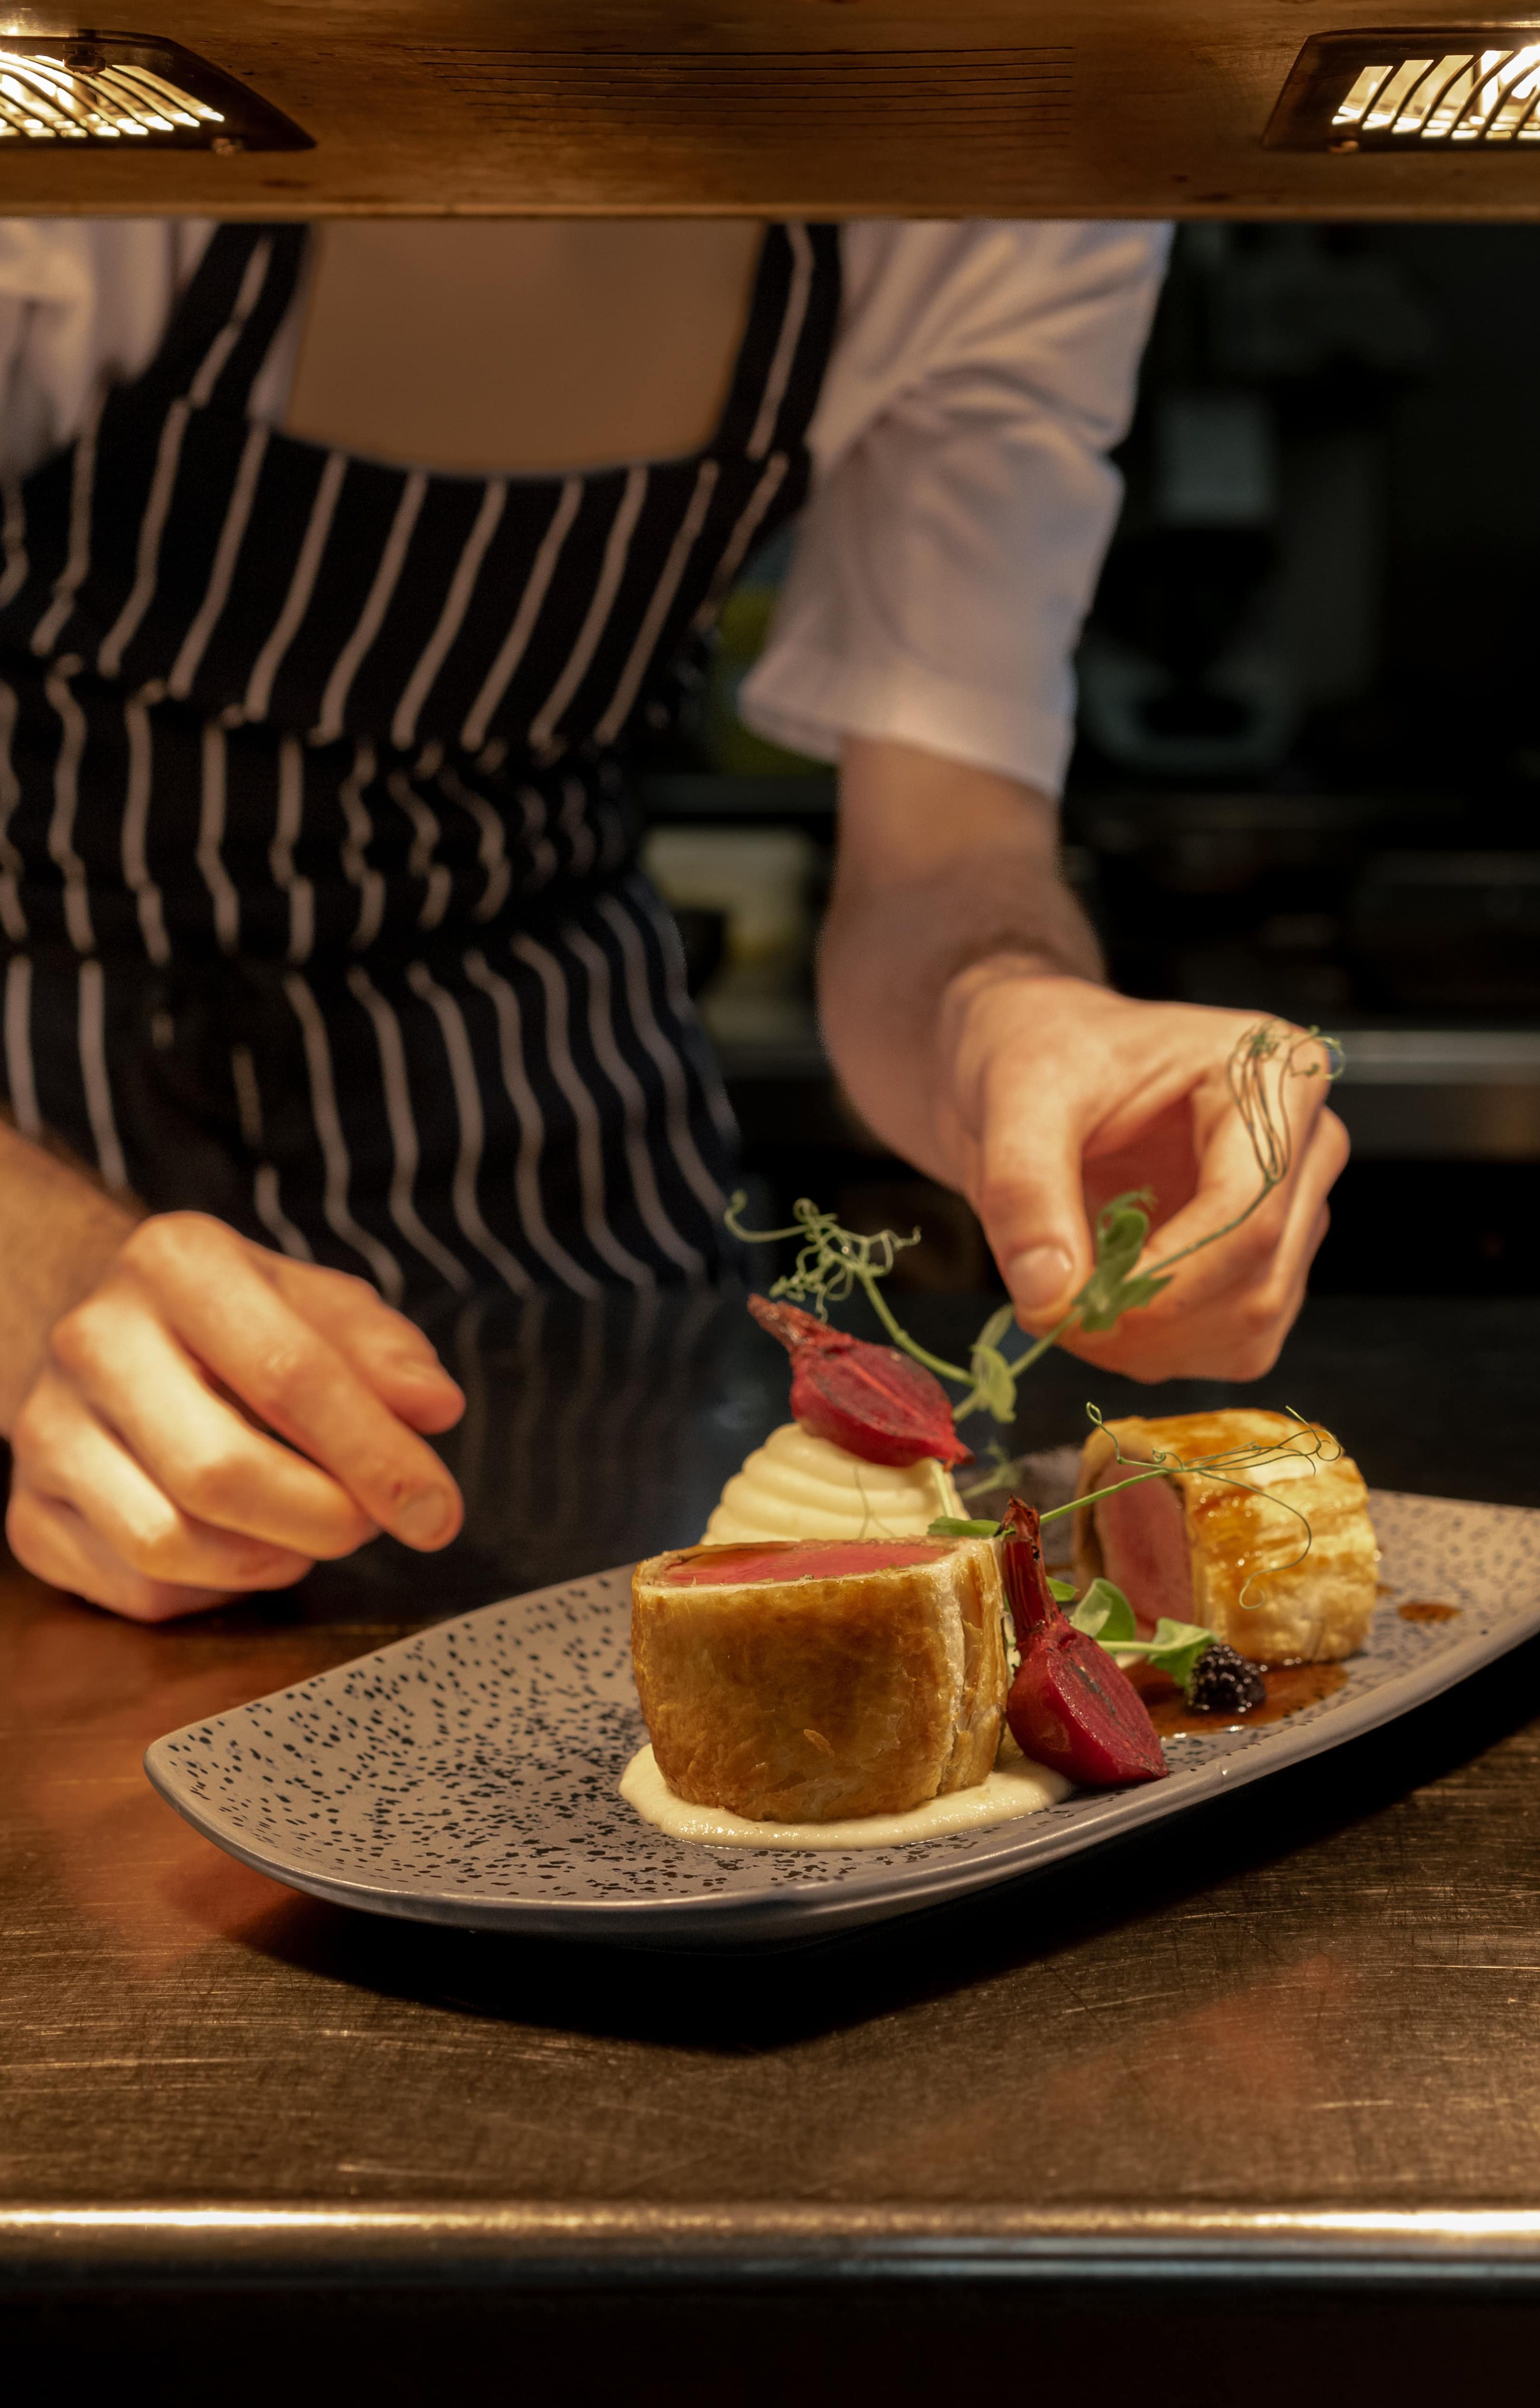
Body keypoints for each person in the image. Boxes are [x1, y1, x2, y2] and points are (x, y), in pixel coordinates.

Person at [0, 216, 1346, 1622]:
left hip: (552, 1141)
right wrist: (43, 1278)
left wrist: (1010, 1007)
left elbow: (941, 858)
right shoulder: (80, 141)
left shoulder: (1003, 191)